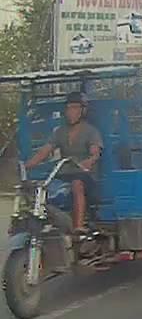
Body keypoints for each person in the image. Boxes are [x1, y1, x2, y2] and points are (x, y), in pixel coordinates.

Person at [24, 91, 103, 233]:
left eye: (75, 108)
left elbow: (95, 153)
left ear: (83, 111)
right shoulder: (60, 131)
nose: (71, 112)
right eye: (68, 108)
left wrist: (89, 161)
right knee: (42, 187)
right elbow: (45, 151)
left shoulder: (91, 131)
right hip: (64, 172)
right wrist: (27, 165)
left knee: (77, 184)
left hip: (84, 174)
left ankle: (78, 226)